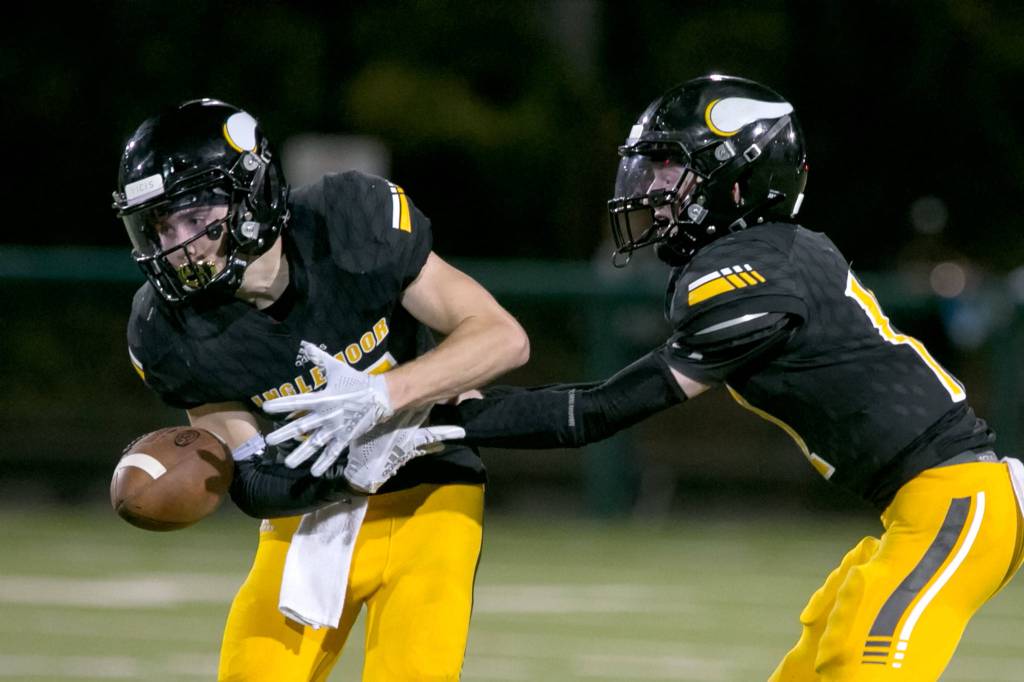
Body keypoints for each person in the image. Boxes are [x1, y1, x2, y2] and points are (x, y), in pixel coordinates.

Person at [421, 75, 1024, 681]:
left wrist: (446, 418)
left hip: (955, 508)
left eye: (666, 166)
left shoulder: (759, 271)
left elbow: (598, 412)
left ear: (737, 178)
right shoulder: (780, 254)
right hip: (924, 511)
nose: (651, 186)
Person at [112, 98, 529, 681]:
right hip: (308, 509)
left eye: (194, 215)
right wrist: (344, 472)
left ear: (250, 193)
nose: (181, 244)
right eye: (161, 224)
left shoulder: (349, 220)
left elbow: (501, 337)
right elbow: (254, 476)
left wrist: (383, 397)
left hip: (428, 486)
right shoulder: (168, 328)